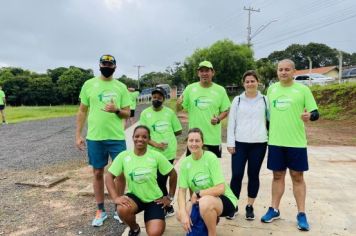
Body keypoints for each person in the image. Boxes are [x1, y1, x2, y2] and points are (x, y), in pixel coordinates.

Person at [261, 59, 319, 231]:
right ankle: (274, 209)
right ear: (277, 72)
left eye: (287, 69)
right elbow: (267, 116)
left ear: (294, 71)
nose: (283, 72)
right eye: (280, 69)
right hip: (275, 142)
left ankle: (301, 214)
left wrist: (311, 117)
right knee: (277, 176)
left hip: (296, 142)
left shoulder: (303, 90)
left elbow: (315, 112)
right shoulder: (271, 89)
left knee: (297, 177)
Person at [75, 54, 131, 227]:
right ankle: (100, 210)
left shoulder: (121, 87)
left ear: (115, 67)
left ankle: (118, 208)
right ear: (99, 65)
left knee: (120, 173)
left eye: (110, 64)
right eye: (104, 63)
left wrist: (116, 110)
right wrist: (78, 135)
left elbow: (128, 113)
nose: (107, 66)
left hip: (116, 137)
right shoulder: (89, 85)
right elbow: (82, 111)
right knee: (98, 173)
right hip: (95, 137)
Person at [105, 125, 177, 236]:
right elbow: (109, 176)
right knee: (122, 209)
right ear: (132, 137)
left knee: (155, 233)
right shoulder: (124, 156)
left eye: (144, 137)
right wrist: (115, 198)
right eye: (137, 136)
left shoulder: (156, 156)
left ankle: (155, 217)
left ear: (148, 139)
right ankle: (134, 229)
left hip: (155, 199)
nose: (140, 139)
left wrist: (170, 197)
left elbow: (173, 174)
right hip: (135, 197)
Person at [177, 128, 238, 236]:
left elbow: (221, 188)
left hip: (224, 199)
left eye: (197, 140)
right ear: (187, 142)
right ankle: (206, 222)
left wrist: (198, 193)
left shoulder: (210, 158)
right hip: (202, 199)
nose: (194, 144)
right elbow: (182, 191)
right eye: (191, 140)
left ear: (202, 142)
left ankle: (211, 233)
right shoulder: (185, 163)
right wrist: (183, 212)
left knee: (205, 203)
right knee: (181, 213)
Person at [226, 70, 268, 220]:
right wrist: (230, 143)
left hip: (259, 144)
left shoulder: (265, 100)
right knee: (237, 175)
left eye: (252, 81)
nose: (250, 84)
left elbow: (270, 120)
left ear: (258, 82)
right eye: (247, 81)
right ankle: (233, 205)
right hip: (240, 144)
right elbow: (231, 123)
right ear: (243, 84)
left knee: (253, 175)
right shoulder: (237, 100)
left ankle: (250, 206)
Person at [139, 86, 182, 217]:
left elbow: (178, 130)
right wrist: (156, 144)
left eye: (159, 97)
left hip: (168, 152)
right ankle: (166, 206)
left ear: (164, 98)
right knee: (157, 180)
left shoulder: (169, 113)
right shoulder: (145, 113)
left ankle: (166, 206)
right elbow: (143, 134)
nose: (156, 99)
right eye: (154, 97)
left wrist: (166, 137)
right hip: (153, 152)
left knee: (162, 180)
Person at [176, 61, 230, 158]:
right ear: (198, 73)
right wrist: (178, 104)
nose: (204, 73)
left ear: (212, 72)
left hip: (212, 139)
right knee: (194, 170)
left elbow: (226, 110)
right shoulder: (190, 89)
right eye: (201, 71)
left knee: (212, 169)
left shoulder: (220, 90)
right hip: (194, 139)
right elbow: (180, 109)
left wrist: (218, 119)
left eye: (207, 71)